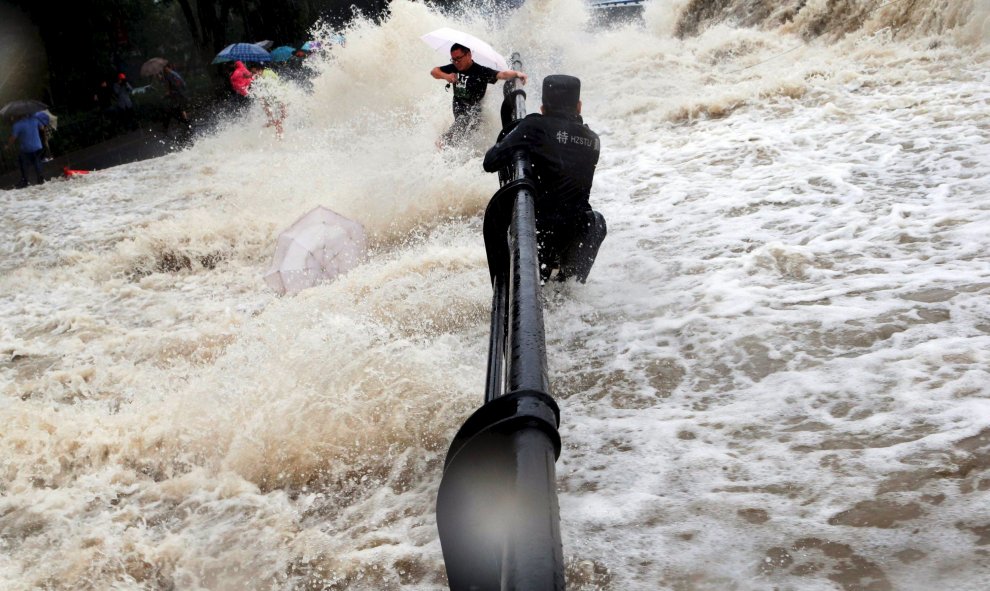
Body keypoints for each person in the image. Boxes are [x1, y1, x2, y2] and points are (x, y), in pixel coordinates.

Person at [482, 75, 606, 283]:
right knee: (597, 220)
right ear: (579, 106)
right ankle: (571, 285)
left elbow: (491, 161)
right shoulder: (593, 139)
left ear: (542, 107)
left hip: (537, 230)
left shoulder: (535, 127)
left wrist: (520, 131)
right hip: (573, 232)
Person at [430, 43, 527, 148]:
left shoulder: (480, 71)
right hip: (458, 106)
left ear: (468, 55)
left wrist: (517, 74)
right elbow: (434, 71)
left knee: (465, 130)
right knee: (459, 130)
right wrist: (446, 76)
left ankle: (446, 144)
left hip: (474, 110)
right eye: (453, 59)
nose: (456, 62)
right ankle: (445, 145)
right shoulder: (453, 67)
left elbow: (501, 75)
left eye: (458, 58)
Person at [6, 113, 46, 187]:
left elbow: (13, 138)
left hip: (26, 148)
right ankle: (40, 178)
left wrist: (8, 145)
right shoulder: (35, 119)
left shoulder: (17, 125)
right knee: (37, 161)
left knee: (23, 164)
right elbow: (42, 128)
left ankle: (25, 180)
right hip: (37, 146)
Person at [248, 64, 287, 139]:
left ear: (259, 70)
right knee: (278, 120)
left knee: (278, 121)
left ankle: (280, 139)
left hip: (280, 99)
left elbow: (271, 92)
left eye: (254, 72)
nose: (253, 75)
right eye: (252, 73)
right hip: (280, 97)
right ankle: (278, 135)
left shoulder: (266, 76)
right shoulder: (266, 72)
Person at [160, 62, 191, 138]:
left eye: (164, 68)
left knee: (172, 111)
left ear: (167, 67)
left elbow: (175, 87)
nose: (164, 70)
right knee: (180, 109)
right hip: (179, 96)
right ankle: (187, 123)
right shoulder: (173, 74)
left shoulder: (171, 75)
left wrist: (167, 94)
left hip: (177, 96)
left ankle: (166, 127)